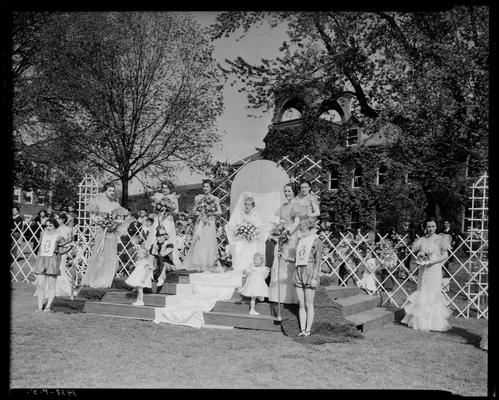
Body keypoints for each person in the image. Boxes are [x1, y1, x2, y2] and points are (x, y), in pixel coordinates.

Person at [401, 218, 452, 331]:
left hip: (434, 269)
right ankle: (420, 322)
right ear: (425, 227)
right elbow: (418, 252)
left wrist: (433, 261)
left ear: (436, 227)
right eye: (428, 226)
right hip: (423, 270)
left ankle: (434, 323)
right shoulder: (422, 240)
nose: (430, 229)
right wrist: (421, 256)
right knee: (423, 291)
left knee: (433, 293)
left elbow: (445, 255)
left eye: (433, 226)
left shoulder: (440, 239)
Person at [81, 183, 128, 288]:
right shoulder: (98, 202)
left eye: (113, 191)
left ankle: (108, 279)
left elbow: (121, 219)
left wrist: (114, 223)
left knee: (110, 255)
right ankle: (96, 278)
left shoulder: (116, 205)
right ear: (104, 191)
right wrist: (102, 222)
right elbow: (92, 217)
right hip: (101, 231)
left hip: (112, 232)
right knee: (99, 253)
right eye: (109, 190)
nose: (112, 193)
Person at [33, 217, 73, 311]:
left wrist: (68, 248)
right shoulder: (42, 234)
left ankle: (48, 307)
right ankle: (39, 308)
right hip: (41, 261)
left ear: (55, 226)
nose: (48, 227)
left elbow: (63, 249)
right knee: (40, 285)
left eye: (50, 225)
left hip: (52, 262)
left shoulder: (59, 237)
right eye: (46, 225)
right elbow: (39, 248)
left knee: (51, 286)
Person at [269, 183, 299, 304]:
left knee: (289, 264)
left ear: (294, 192)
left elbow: (297, 222)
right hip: (282, 238)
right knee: (280, 263)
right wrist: (276, 231)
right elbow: (278, 220)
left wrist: (288, 232)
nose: (286, 193)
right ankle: (278, 296)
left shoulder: (297, 205)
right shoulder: (283, 206)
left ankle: (290, 296)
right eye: (285, 191)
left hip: (291, 237)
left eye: (289, 191)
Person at [292, 217, 323, 337]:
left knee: (308, 303)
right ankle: (302, 329)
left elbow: (318, 261)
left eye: (302, 227)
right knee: (301, 303)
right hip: (299, 270)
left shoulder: (316, 240)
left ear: (307, 227)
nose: (300, 229)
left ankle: (308, 330)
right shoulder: (300, 240)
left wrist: (315, 277)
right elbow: (298, 257)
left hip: (310, 271)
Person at [182, 179, 221, 271]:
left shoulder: (215, 199)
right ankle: (198, 264)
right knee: (199, 241)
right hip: (200, 222)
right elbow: (194, 211)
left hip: (210, 222)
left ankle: (209, 264)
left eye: (207, 186)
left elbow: (219, 211)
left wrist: (210, 212)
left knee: (209, 242)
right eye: (204, 186)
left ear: (211, 188)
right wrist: (200, 211)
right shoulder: (198, 198)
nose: (205, 188)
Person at [225, 192, 263, 274]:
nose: (247, 206)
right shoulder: (240, 215)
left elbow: (258, 228)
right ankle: (240, 272)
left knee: (250, 252)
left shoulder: (255, 215)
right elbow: (235, 227)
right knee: (240, 252)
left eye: (249, 205)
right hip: (242, 239)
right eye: (245, 204)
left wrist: (251, 233)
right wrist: (241, 231)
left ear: (252, 206)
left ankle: (249, 271)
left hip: (251, 239)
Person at [152, 180, 182, 269]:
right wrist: (159, 209)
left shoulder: (173, 197)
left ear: (170, 189)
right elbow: (154, 209)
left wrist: (169, 210)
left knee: (169, 239)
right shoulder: (158, 197)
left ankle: (171, 261)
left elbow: (176, 210)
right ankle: (157, 263)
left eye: (167, 188)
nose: (164, 190)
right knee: (157, 238)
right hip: (160, 219)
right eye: (163, 188)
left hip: (168, 220)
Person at [54, 212, 74, 297]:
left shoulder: (68, 229)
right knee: (54, 268)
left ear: (62, 220)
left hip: (63, 251)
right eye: (56, 218)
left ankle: (62, 289)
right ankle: (53, 288)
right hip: (54, 252)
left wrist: (64, 244)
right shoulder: (54, 228)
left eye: (58, 218)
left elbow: (71, 239)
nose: (57, 220)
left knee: (61, 269)